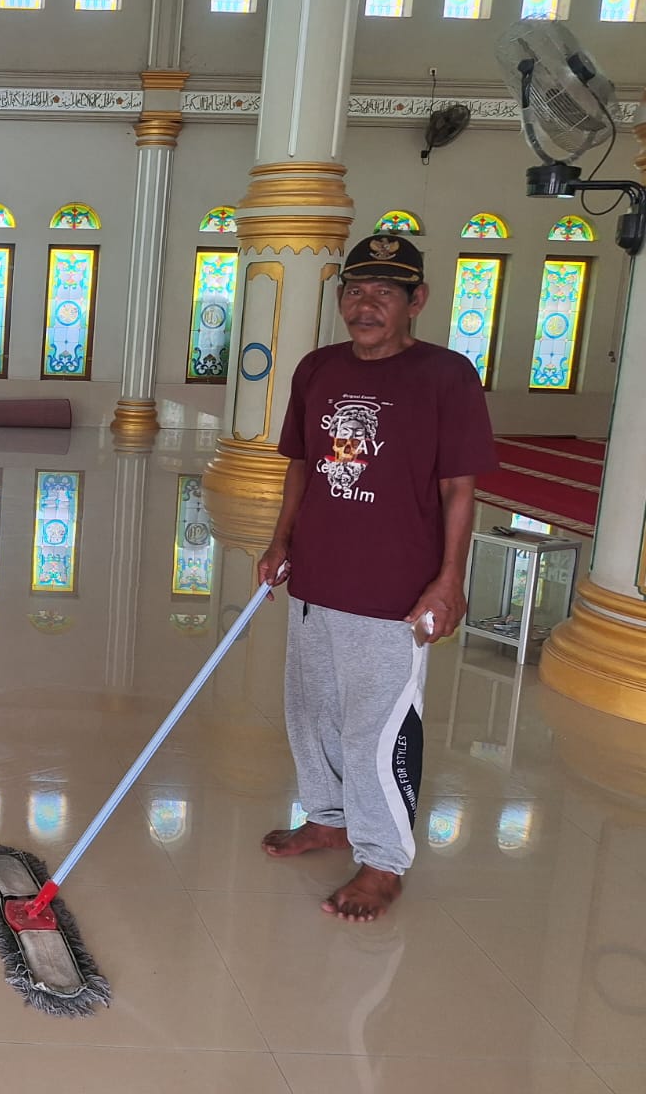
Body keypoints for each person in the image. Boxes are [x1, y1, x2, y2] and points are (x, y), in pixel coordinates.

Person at [255, 233, 497, 922]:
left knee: (378, 727)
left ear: (416, 301)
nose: (366, 305)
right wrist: (281, 540)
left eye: (385, 292)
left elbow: (459, 488)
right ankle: (329, 819)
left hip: (395, 591)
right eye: (356, 291)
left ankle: (384, 861)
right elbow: (303, 463)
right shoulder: (318, 368)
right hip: (317, 578)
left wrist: (448, 580)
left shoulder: (446, 376)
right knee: (311, 712)